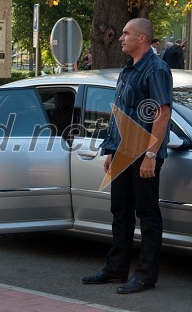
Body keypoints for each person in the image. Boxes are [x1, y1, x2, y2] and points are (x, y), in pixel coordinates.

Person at [82, 18, 172, 294]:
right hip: (122, 153)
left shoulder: (156, 69)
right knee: (120, 212)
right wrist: (110, 150)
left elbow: (162, 113)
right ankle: (116, 269)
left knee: (147, 215)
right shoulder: (128, 69)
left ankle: (145, 276)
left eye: (126, 33)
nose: (120, 37)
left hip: (143, 154)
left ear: (142, 38)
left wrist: (151, 155)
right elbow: (119, 114)